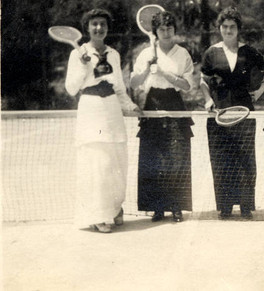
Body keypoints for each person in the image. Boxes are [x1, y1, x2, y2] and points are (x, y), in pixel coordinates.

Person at [65, 9, 142, 233]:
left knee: (116, 163)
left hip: (112, 112)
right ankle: (99, 216)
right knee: (96, 164)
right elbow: (71, 89)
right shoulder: (77, 54)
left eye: (102, 24)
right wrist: (82, 64)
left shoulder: (114, 54)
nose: (99, 28)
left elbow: (119, 88)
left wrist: (130, 105)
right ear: (87, 28)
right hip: (90, 110)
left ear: (107, 28)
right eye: (94, 24)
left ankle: (114, 208)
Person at [200, 7, 264, 219]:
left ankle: (245, 206)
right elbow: (202, 81)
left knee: (245, 158)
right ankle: (224, 207)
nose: (228, 30)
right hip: (219, 112)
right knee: (221, 159)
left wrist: (260, 91)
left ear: (238, 29)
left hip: (244, 112)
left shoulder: (249, 51)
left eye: (232, 27)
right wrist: (207, 99)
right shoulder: (211, 52)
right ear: (219, 29)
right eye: (225, 27)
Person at [130, 10, 196, 223]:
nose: (166, 32)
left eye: (169, 28)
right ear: (155, 32)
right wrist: (149, 68)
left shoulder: (183, 53)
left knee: (177, 159)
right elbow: (134, 82)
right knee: (153, 159)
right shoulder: (146, 53)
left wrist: (165, 74)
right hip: (152, 104)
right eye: (161, 29)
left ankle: (176, 207)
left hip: (175, 104)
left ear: (174, 30)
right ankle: (157, 208)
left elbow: (187, 85)